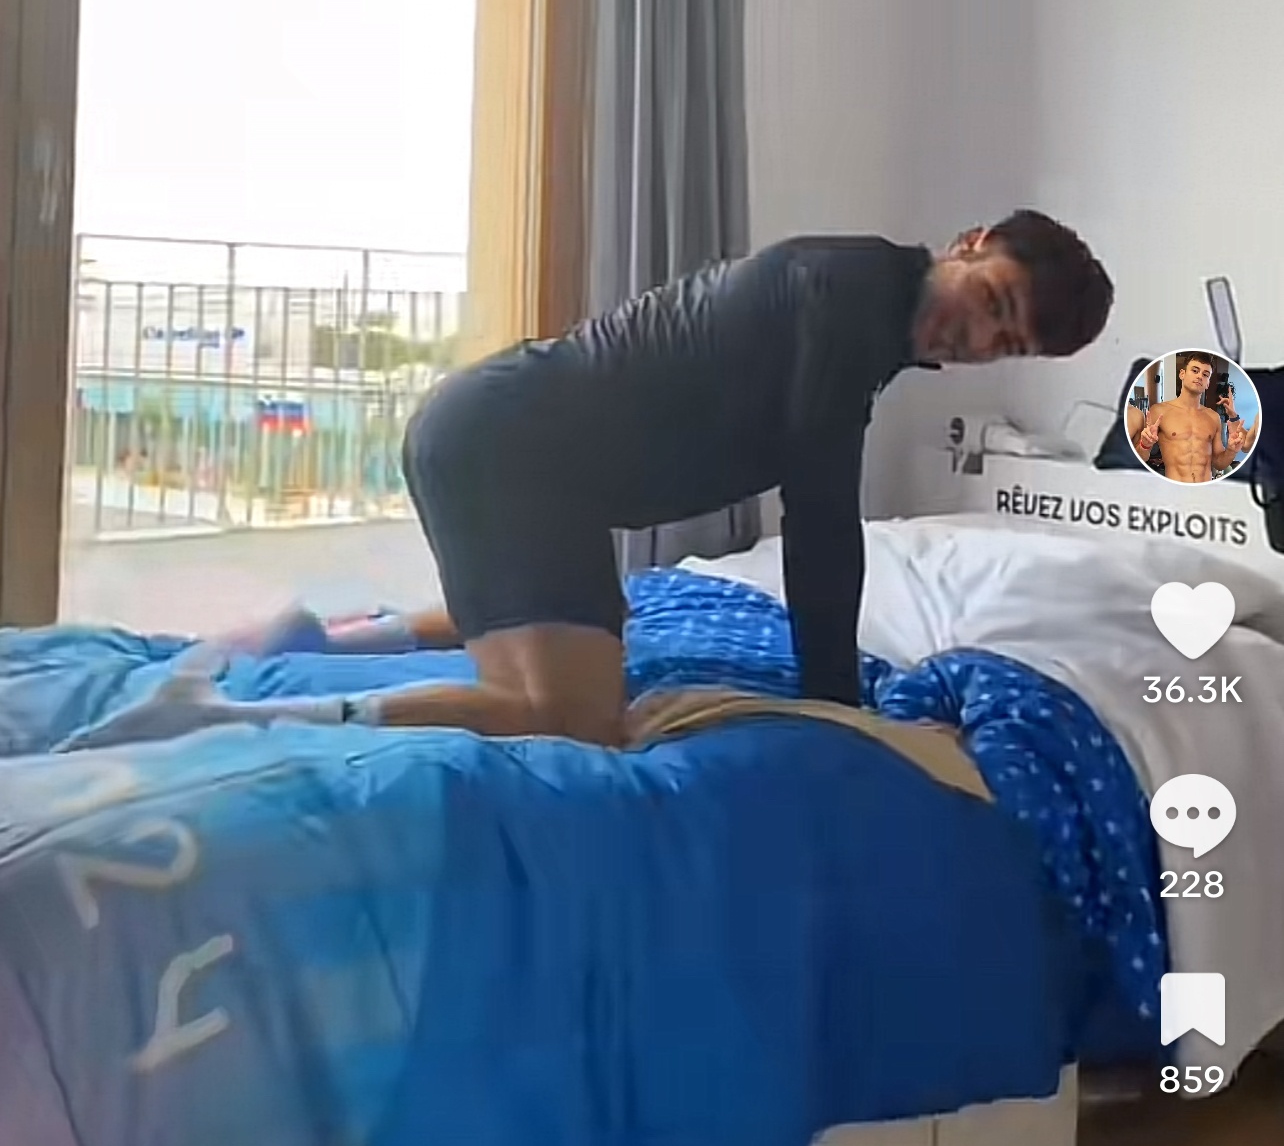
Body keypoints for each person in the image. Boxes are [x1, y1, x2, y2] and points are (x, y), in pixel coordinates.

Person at [65, 213, 1113, 755]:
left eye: (1004, 343)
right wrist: (843, 711)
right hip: (509, 450)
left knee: (577, 622)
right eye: (993, 301)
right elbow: (823, 520)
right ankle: (252, 723)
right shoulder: (848, 296)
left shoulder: (872, 315)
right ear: (970, 245)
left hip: (516, 451)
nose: (977, 337)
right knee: (569, 715)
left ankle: (319, 640)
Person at [1129, 352, 1253, 481]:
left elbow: (1219, 463)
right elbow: (1140, 458)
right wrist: (1145, 445)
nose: (1199, 376)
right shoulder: (1159, 412)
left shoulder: (1213, 417)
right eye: (1195, 370)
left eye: (1205, 374)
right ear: (1182, 374)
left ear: (1208, 383)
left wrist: (1231, 451)